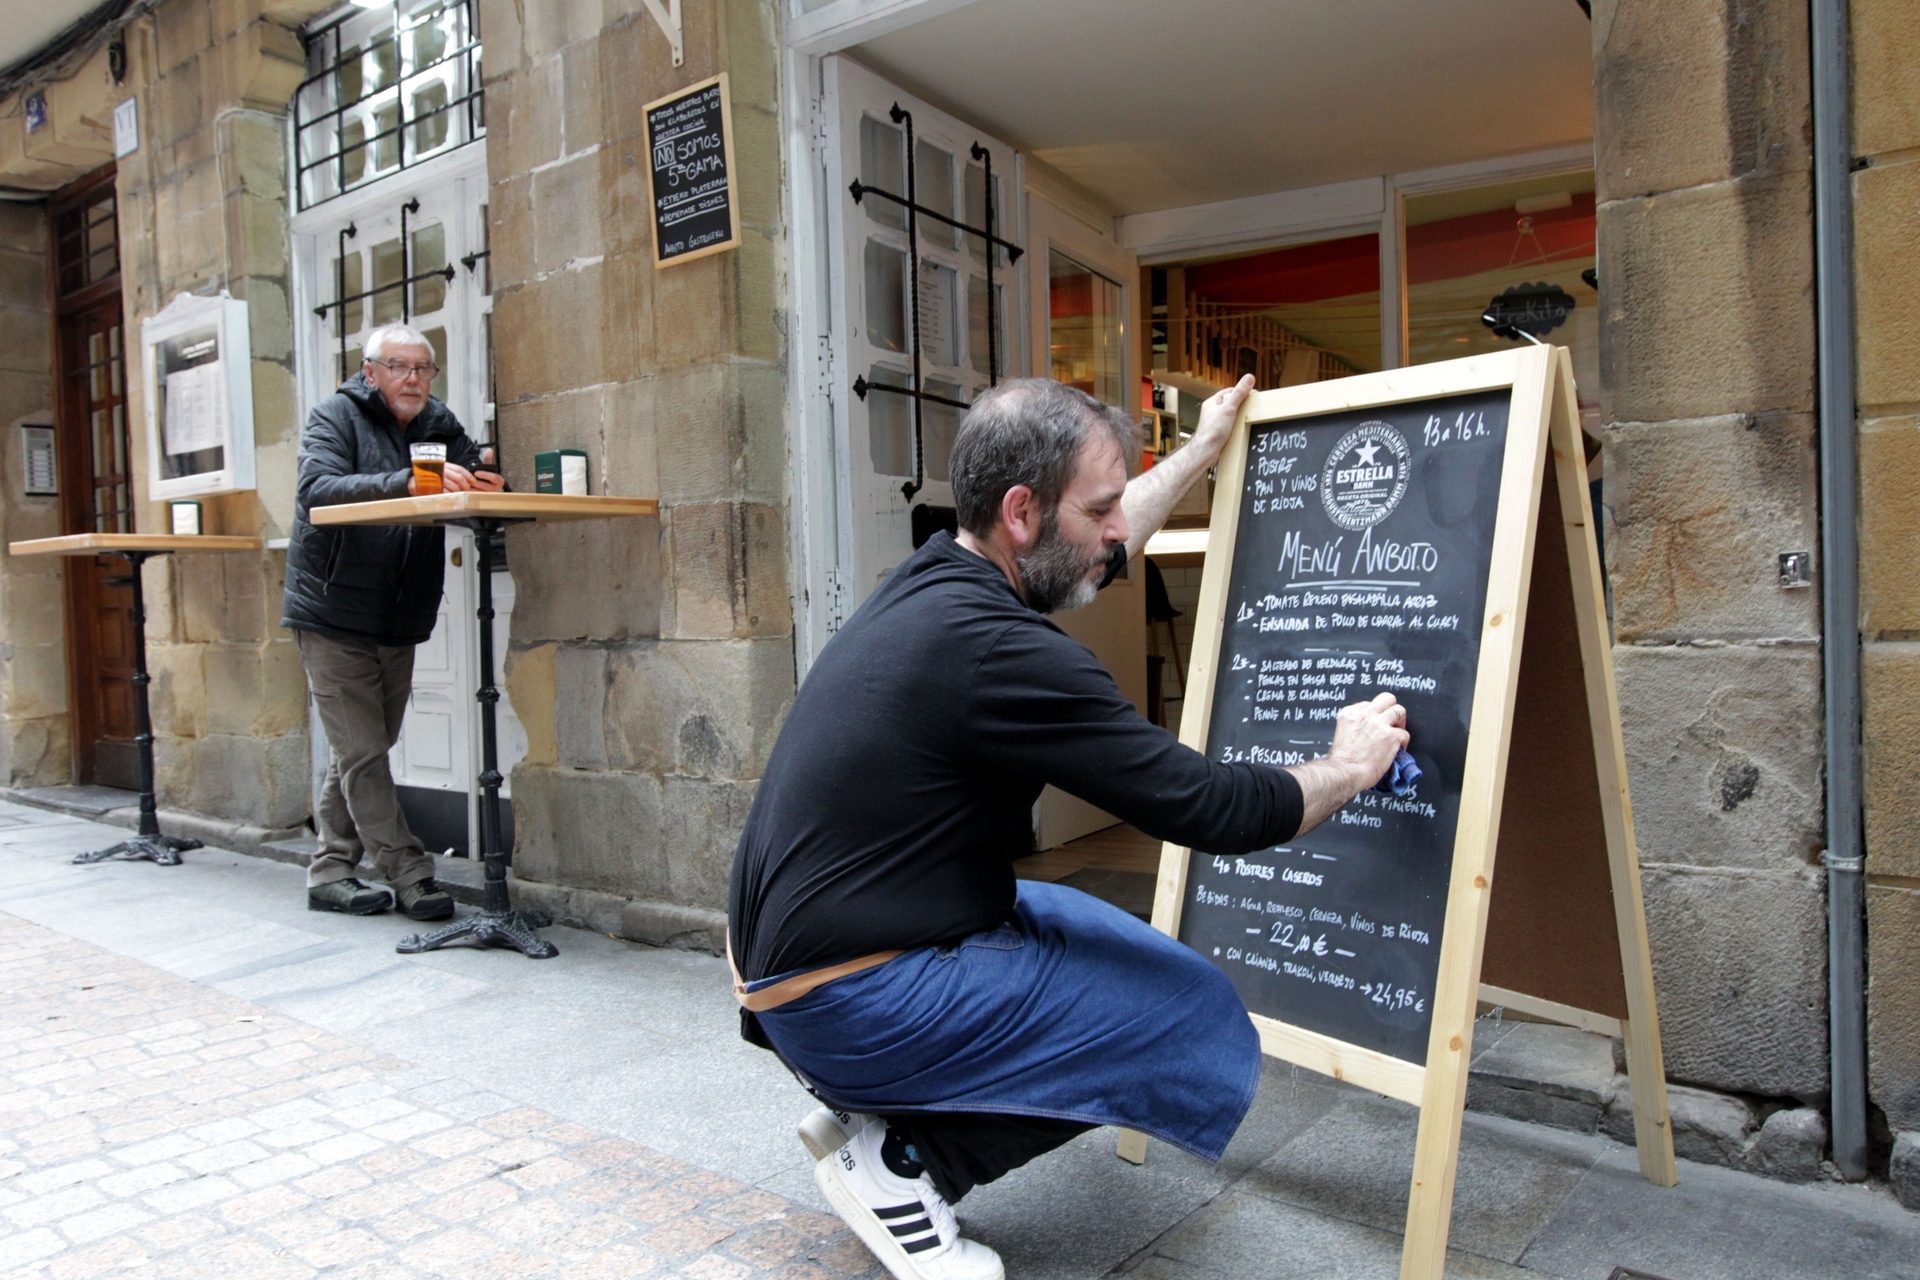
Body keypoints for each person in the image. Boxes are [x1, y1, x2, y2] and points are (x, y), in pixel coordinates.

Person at [727, 376, 1409, 1280]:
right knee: (1186, 1020)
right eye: (1101, 508)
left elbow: (1095, 548)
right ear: (1022, 512)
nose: (1121, 531)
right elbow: (1214, 807)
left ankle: (885, 1110)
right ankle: (906, 1165)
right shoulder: (1005, 654)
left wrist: (1200, 453)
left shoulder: (938, 575)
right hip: (846, 997)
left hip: (799, 964)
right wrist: (1353, 764)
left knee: (1120, 949)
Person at [282, 323, 505, 919]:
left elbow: (467, 470)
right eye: (399, 366)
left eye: (422, 369)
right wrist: (404, 482)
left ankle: (330, 870)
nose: (413, 379)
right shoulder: (335, 416)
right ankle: (410, 873)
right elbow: (316, 491)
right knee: (363, 752)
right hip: (332, 609)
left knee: (365, 746)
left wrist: (485, 480)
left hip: (399, 609)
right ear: (370, 371)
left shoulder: (437, 422)